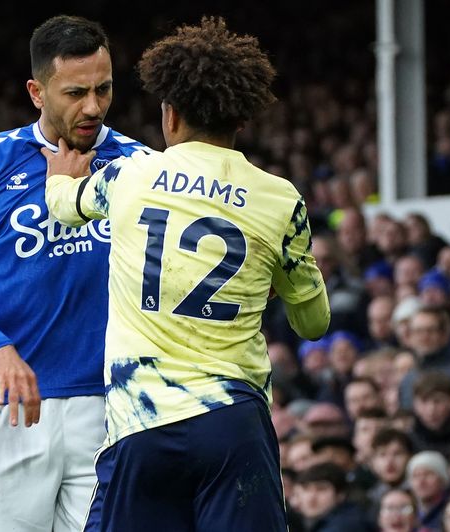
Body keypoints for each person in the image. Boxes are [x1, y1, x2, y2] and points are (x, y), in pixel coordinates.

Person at [43, 17, 328, 531]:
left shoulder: (132, 175)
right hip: (232, 425)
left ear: (169, 115)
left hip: (141, 426)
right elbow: (312, 323)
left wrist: (60, 180)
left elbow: (66, 207)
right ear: (240, 120)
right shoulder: (280, 200)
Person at [0, 15, 147, 532]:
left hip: (114, 408)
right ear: (37, 92)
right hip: (12, 405)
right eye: (75, 92)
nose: (92, 106)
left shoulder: (141, 166)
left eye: (104, 89)